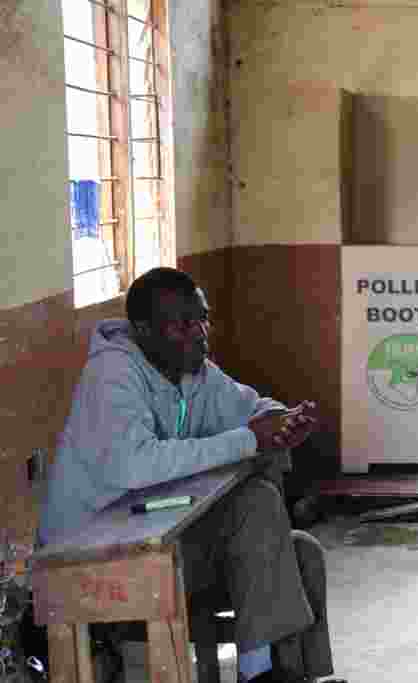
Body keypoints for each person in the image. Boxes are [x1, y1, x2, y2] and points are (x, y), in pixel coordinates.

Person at [39, 267, 344, 683]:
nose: (200, 332)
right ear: (144, 330)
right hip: (96, 561)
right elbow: (136, 464)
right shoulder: (112, 375)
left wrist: (281, 419)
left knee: (302, 552)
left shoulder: (191, 367)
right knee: (258, 509)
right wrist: (250, 440)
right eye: (183, 325)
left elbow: (247, 408)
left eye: (203, 318)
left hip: (161, 542)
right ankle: (262, 676)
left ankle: (271, 673)